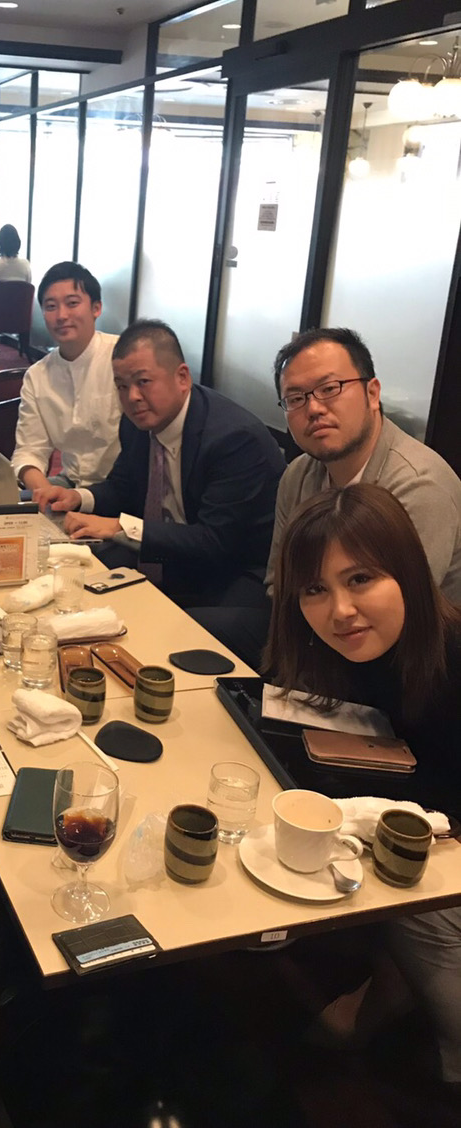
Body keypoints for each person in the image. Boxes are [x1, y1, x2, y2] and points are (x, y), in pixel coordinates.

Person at [265, 483, 461, 1093]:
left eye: (360, 579)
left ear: (407, 569)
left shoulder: (452, 660)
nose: (341, 610)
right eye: (315, 589)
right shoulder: (338, 657)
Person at [193, 326, 461, 666]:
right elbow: (279, 583)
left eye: (329, 389)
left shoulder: (418, 485)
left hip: (407, 658)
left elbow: (398, 616)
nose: (314, 408)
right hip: (317, 628)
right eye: (296, 398)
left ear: (372, 394)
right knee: (189, 629)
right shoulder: (298, 474)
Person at [43, 319, 285, 608]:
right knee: (71, 575)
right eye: (121, 386)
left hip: (235, 571)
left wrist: (120, 526)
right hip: (172, 553)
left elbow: (214, 540)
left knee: (173, 626)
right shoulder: (137, 423)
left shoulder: (233, 438)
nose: (132, 397)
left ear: (182, 377)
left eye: (143, 382)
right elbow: (123, 486)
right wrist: (78, 497)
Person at [10, 261, 120, 502]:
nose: (61, 316)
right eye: (51, 307)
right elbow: (29, 451)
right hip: (69, 484)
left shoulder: (121, 359)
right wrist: (46, 494)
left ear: (96, 308)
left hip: (119, 490)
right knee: (0, 505)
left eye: (72, 303)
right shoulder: (38, 375)